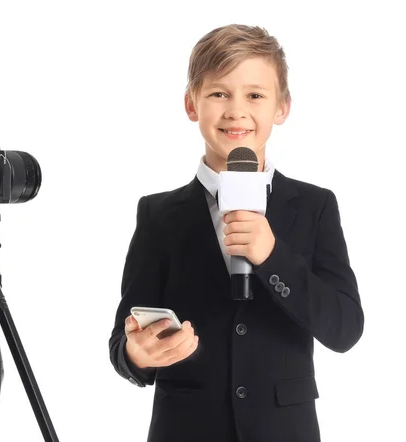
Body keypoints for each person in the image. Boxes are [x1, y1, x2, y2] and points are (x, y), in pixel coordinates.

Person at [108, 24, 364, 442]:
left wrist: (272, 255)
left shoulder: (315, 206)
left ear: (282, 107)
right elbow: (124, 339)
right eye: (218, 93)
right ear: (192, 104)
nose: (236, 110)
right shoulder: (158, 214)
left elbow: (345, 328)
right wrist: (137, 354)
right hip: (186, 429)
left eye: (255, 95)